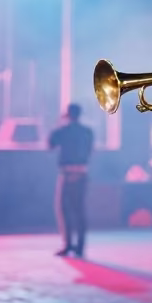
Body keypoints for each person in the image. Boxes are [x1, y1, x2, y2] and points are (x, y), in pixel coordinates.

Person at [49, 103, 94, 257]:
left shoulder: (63, 131)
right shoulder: (88, 132)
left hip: (67, 174)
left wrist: (59, 123)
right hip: (81, 174)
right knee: (79, 211)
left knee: (64, 210)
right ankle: (80, 247)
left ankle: (68, 244)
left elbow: (50, 144)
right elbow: (89, 152)